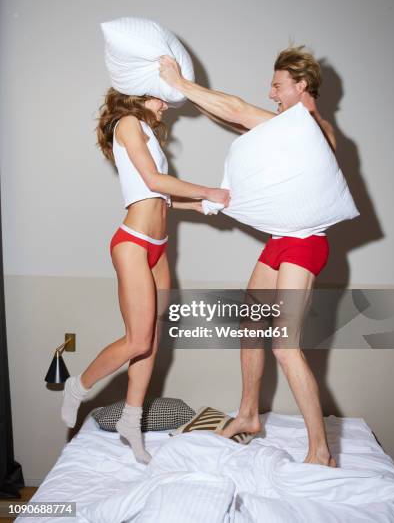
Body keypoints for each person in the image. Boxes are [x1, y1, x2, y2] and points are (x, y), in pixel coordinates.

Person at [159, 46, 337, 467]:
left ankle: (321, 452)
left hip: (305, 243)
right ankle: (249, 415)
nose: (272, 93)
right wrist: (175, 201)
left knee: (285, 346)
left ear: (301, 85)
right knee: (250, 326)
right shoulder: (286, 129)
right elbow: (234, 118)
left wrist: (179, 84)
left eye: (277, 86)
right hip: (281, 241)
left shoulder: (310, 124)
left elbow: (239, 110)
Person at [61, 87, 230, 464]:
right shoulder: (128, 123)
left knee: (152, 339)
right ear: (137, 95)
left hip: (159, 247)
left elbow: (161, 198)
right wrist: (207, 189)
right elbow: (153, 182)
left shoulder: (149, 132)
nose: (166, 104)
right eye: (159, 97)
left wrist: (199, 204)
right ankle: (79, 385)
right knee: (137, 340)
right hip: (133, 243)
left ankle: (131, 421)